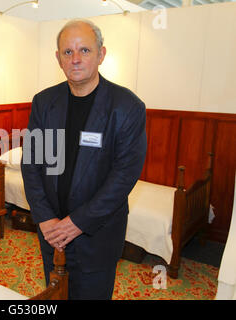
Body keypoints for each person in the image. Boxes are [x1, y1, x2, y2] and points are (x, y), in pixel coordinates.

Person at [21, 19, 147, 300]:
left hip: (96, 237)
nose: (75, 59)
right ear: (58, 58)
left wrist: (76, 222)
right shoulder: (44, 102)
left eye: (85, 51)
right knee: (55, 296)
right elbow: (31, 164)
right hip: (51, 234)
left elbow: (124, 176)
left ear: (101, 54)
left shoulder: (127, 107)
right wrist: (45, 220)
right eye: (67, 52)